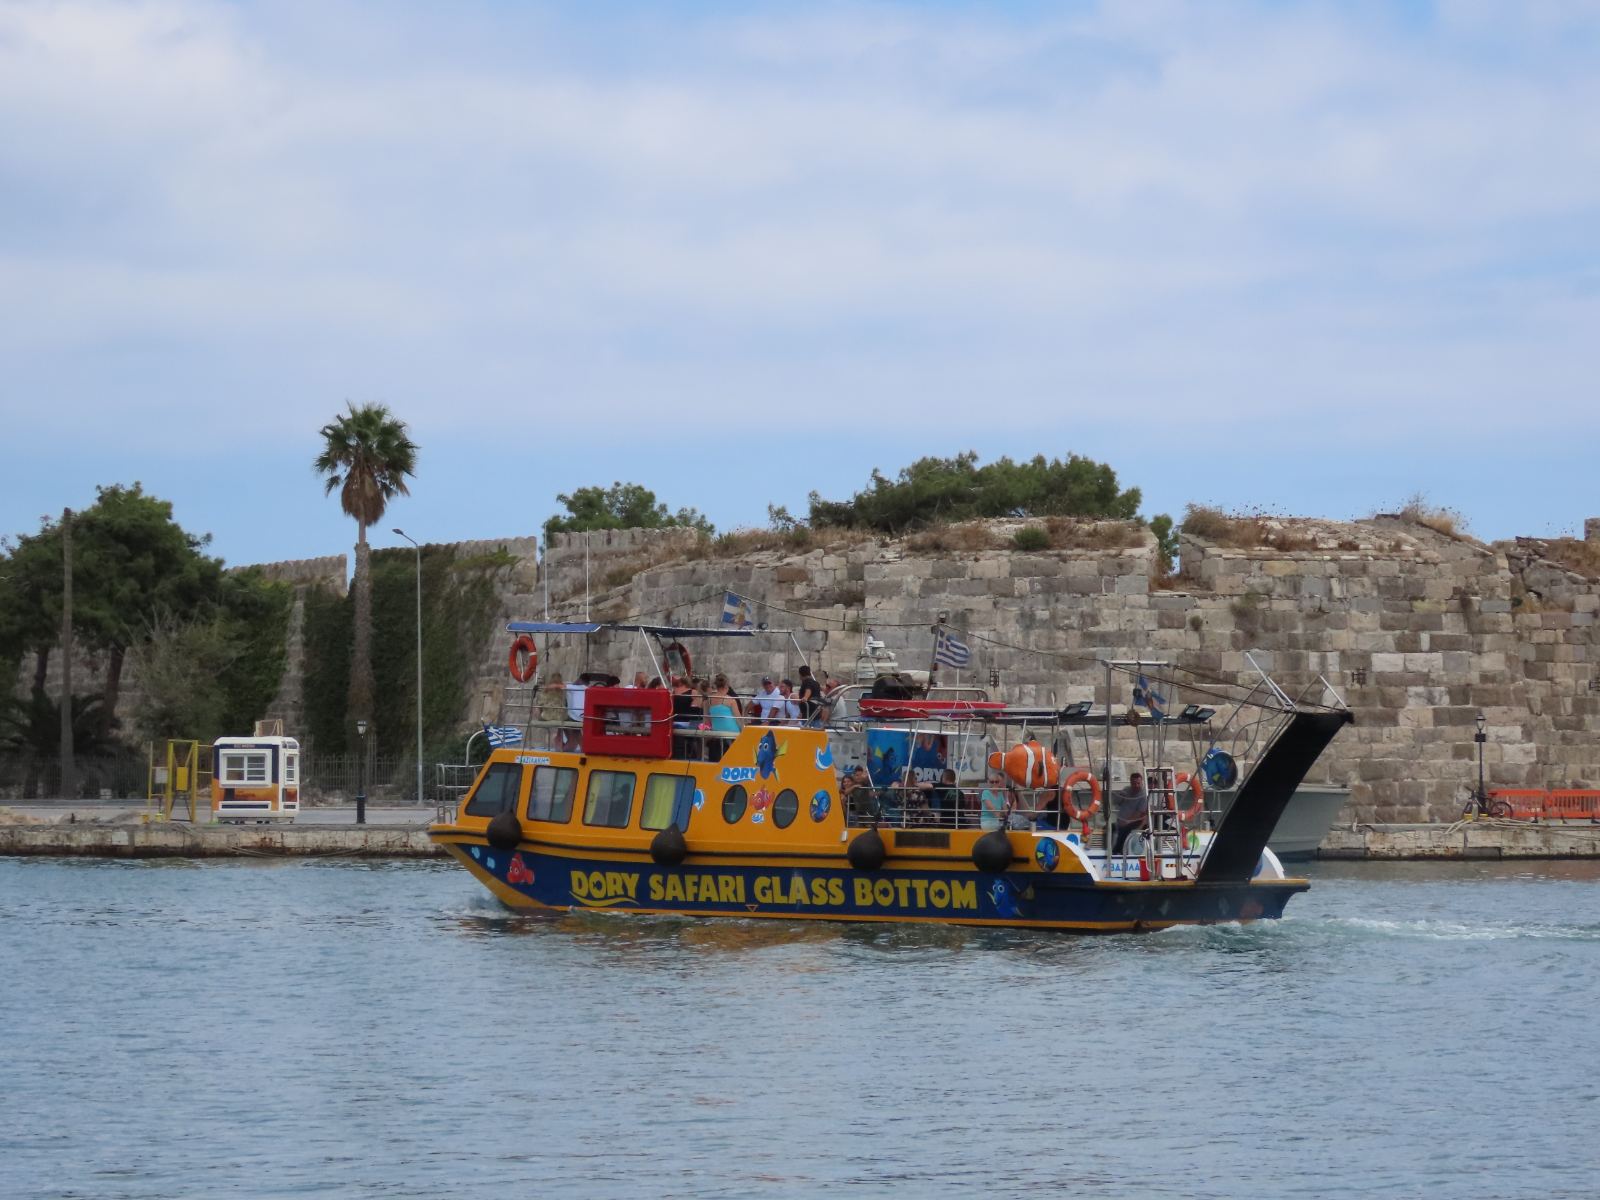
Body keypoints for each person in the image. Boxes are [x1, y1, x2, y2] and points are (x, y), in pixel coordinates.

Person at [1112, 771, 1149, 853]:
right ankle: (1107, 850)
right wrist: (1121, 797)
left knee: (1124, 830)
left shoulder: (1143, 795)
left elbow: (1140, 813)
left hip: (1136, 821)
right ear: (1131, 782)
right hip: (1121, 820)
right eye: (1134, 783)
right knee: (1109, 828)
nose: (1136, 786)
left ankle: (1118, 851)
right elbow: (1116, 802)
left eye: (1138, 783)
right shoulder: (1126, 790)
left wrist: (1127, 821)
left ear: (1141, 782)